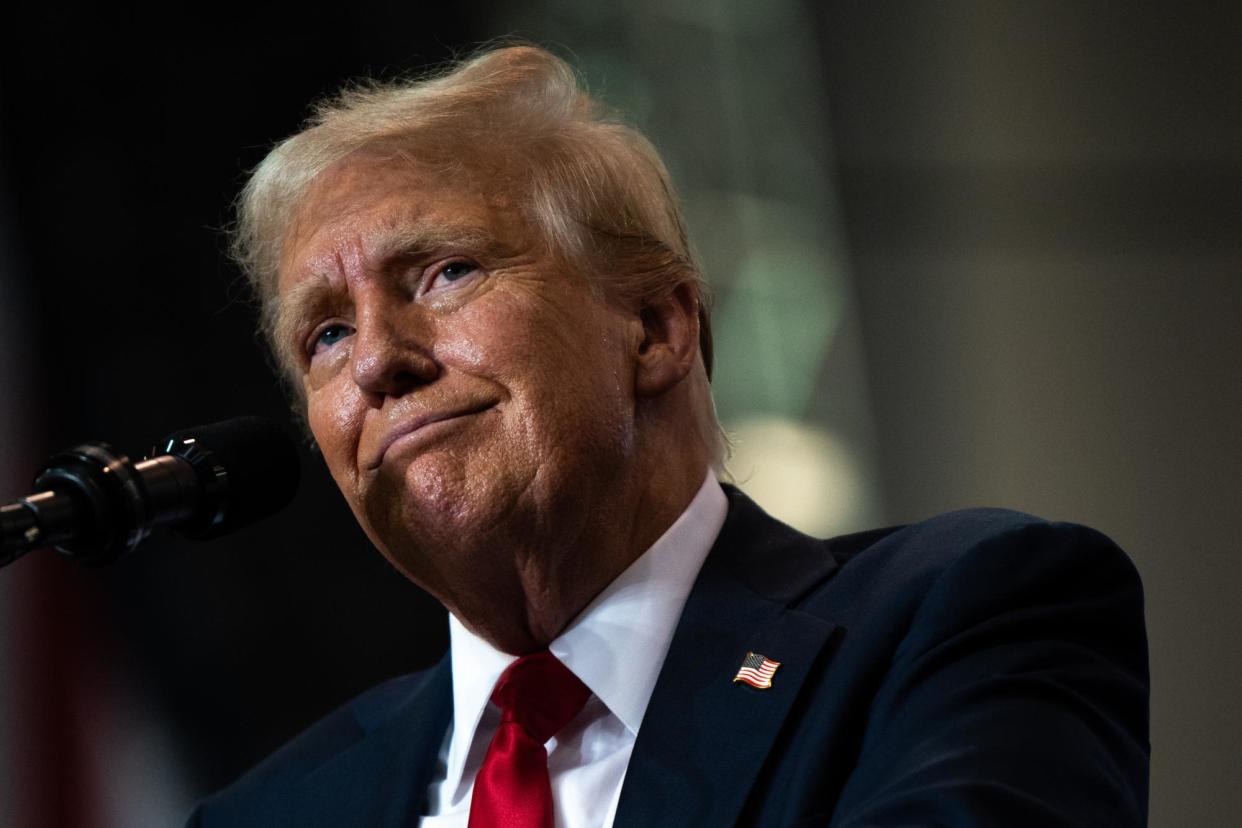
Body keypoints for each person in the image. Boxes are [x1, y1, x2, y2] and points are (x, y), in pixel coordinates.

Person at [187, 45, 1149, 826]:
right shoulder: (273, 810)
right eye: (326, 333)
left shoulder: (959, 622)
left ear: (655, 327)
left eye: (444, 274)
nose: (375, 362)